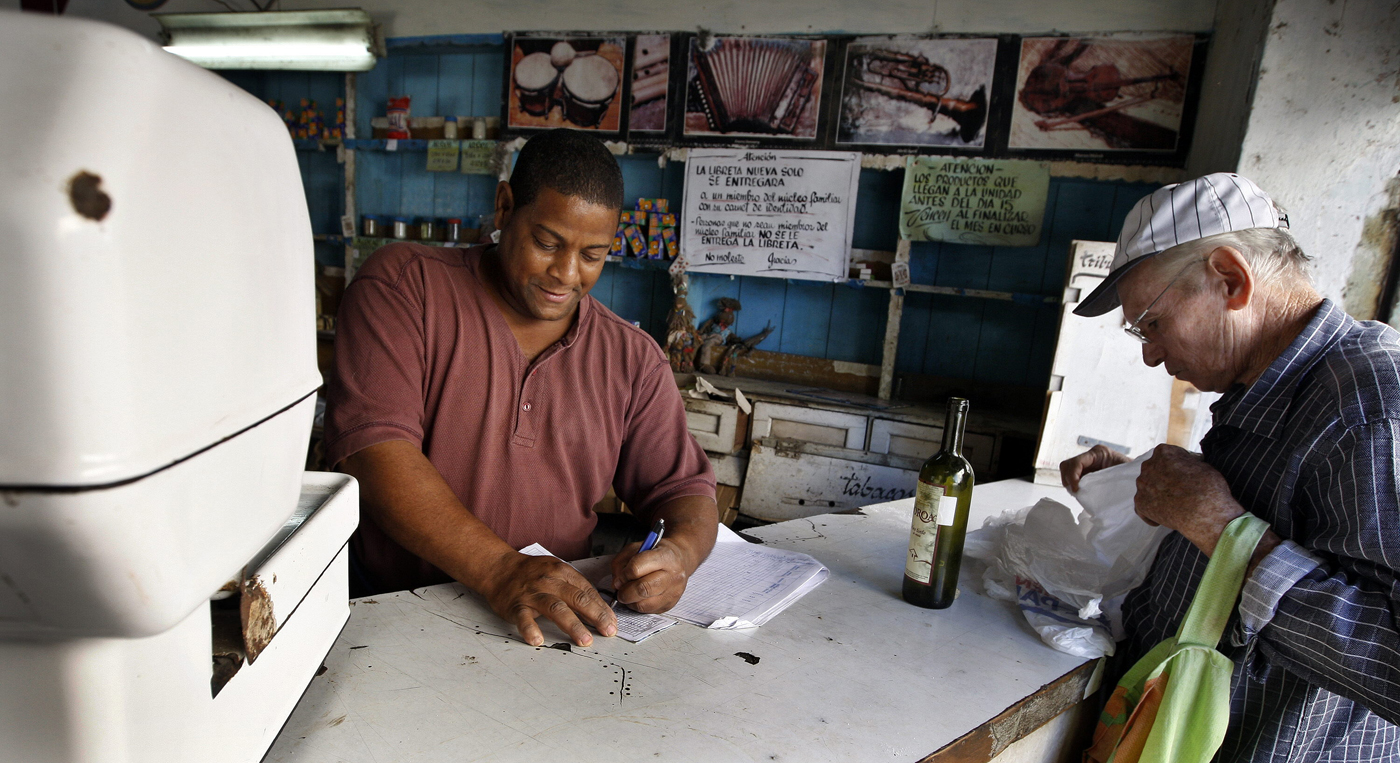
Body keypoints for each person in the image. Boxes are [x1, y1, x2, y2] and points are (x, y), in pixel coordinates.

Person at [324, 129, 718, 648]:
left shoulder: (632, 359)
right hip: (397, 622)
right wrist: (500, 570)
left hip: (549, 631)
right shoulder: (404, 289)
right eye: (547, 243)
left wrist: (679, 556)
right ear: (505, 207)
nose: (566, 274)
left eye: (593, 255)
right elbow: (374, 453)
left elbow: (684, 491)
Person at [1061, 173, 1400, 761]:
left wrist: (1221, 530)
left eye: (1153, 324)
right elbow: (1266, 513)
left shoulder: (1372, 405)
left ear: (1230, 278)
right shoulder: (1267, 385)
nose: (1149, 353)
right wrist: (1141, 488)